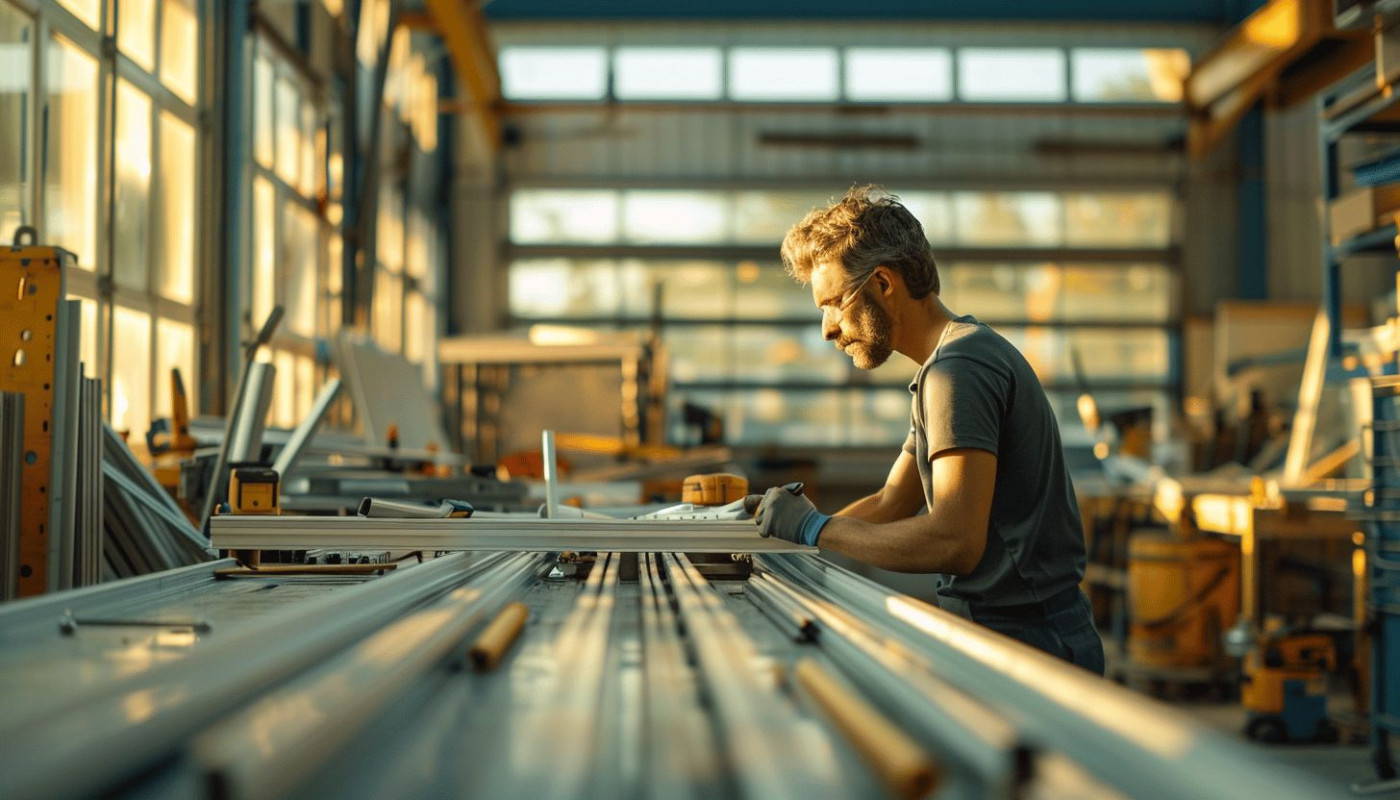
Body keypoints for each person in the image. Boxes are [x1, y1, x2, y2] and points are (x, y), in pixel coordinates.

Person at [752, 185, 1104, 675]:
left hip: (1027, 641)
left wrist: (816, 528)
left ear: (883, 283)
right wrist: (777, 542)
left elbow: (955, 542)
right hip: (1006, 631)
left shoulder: (960, 370)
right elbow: (891, 502)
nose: (827, 329)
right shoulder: (945, 367)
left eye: (833, 303)